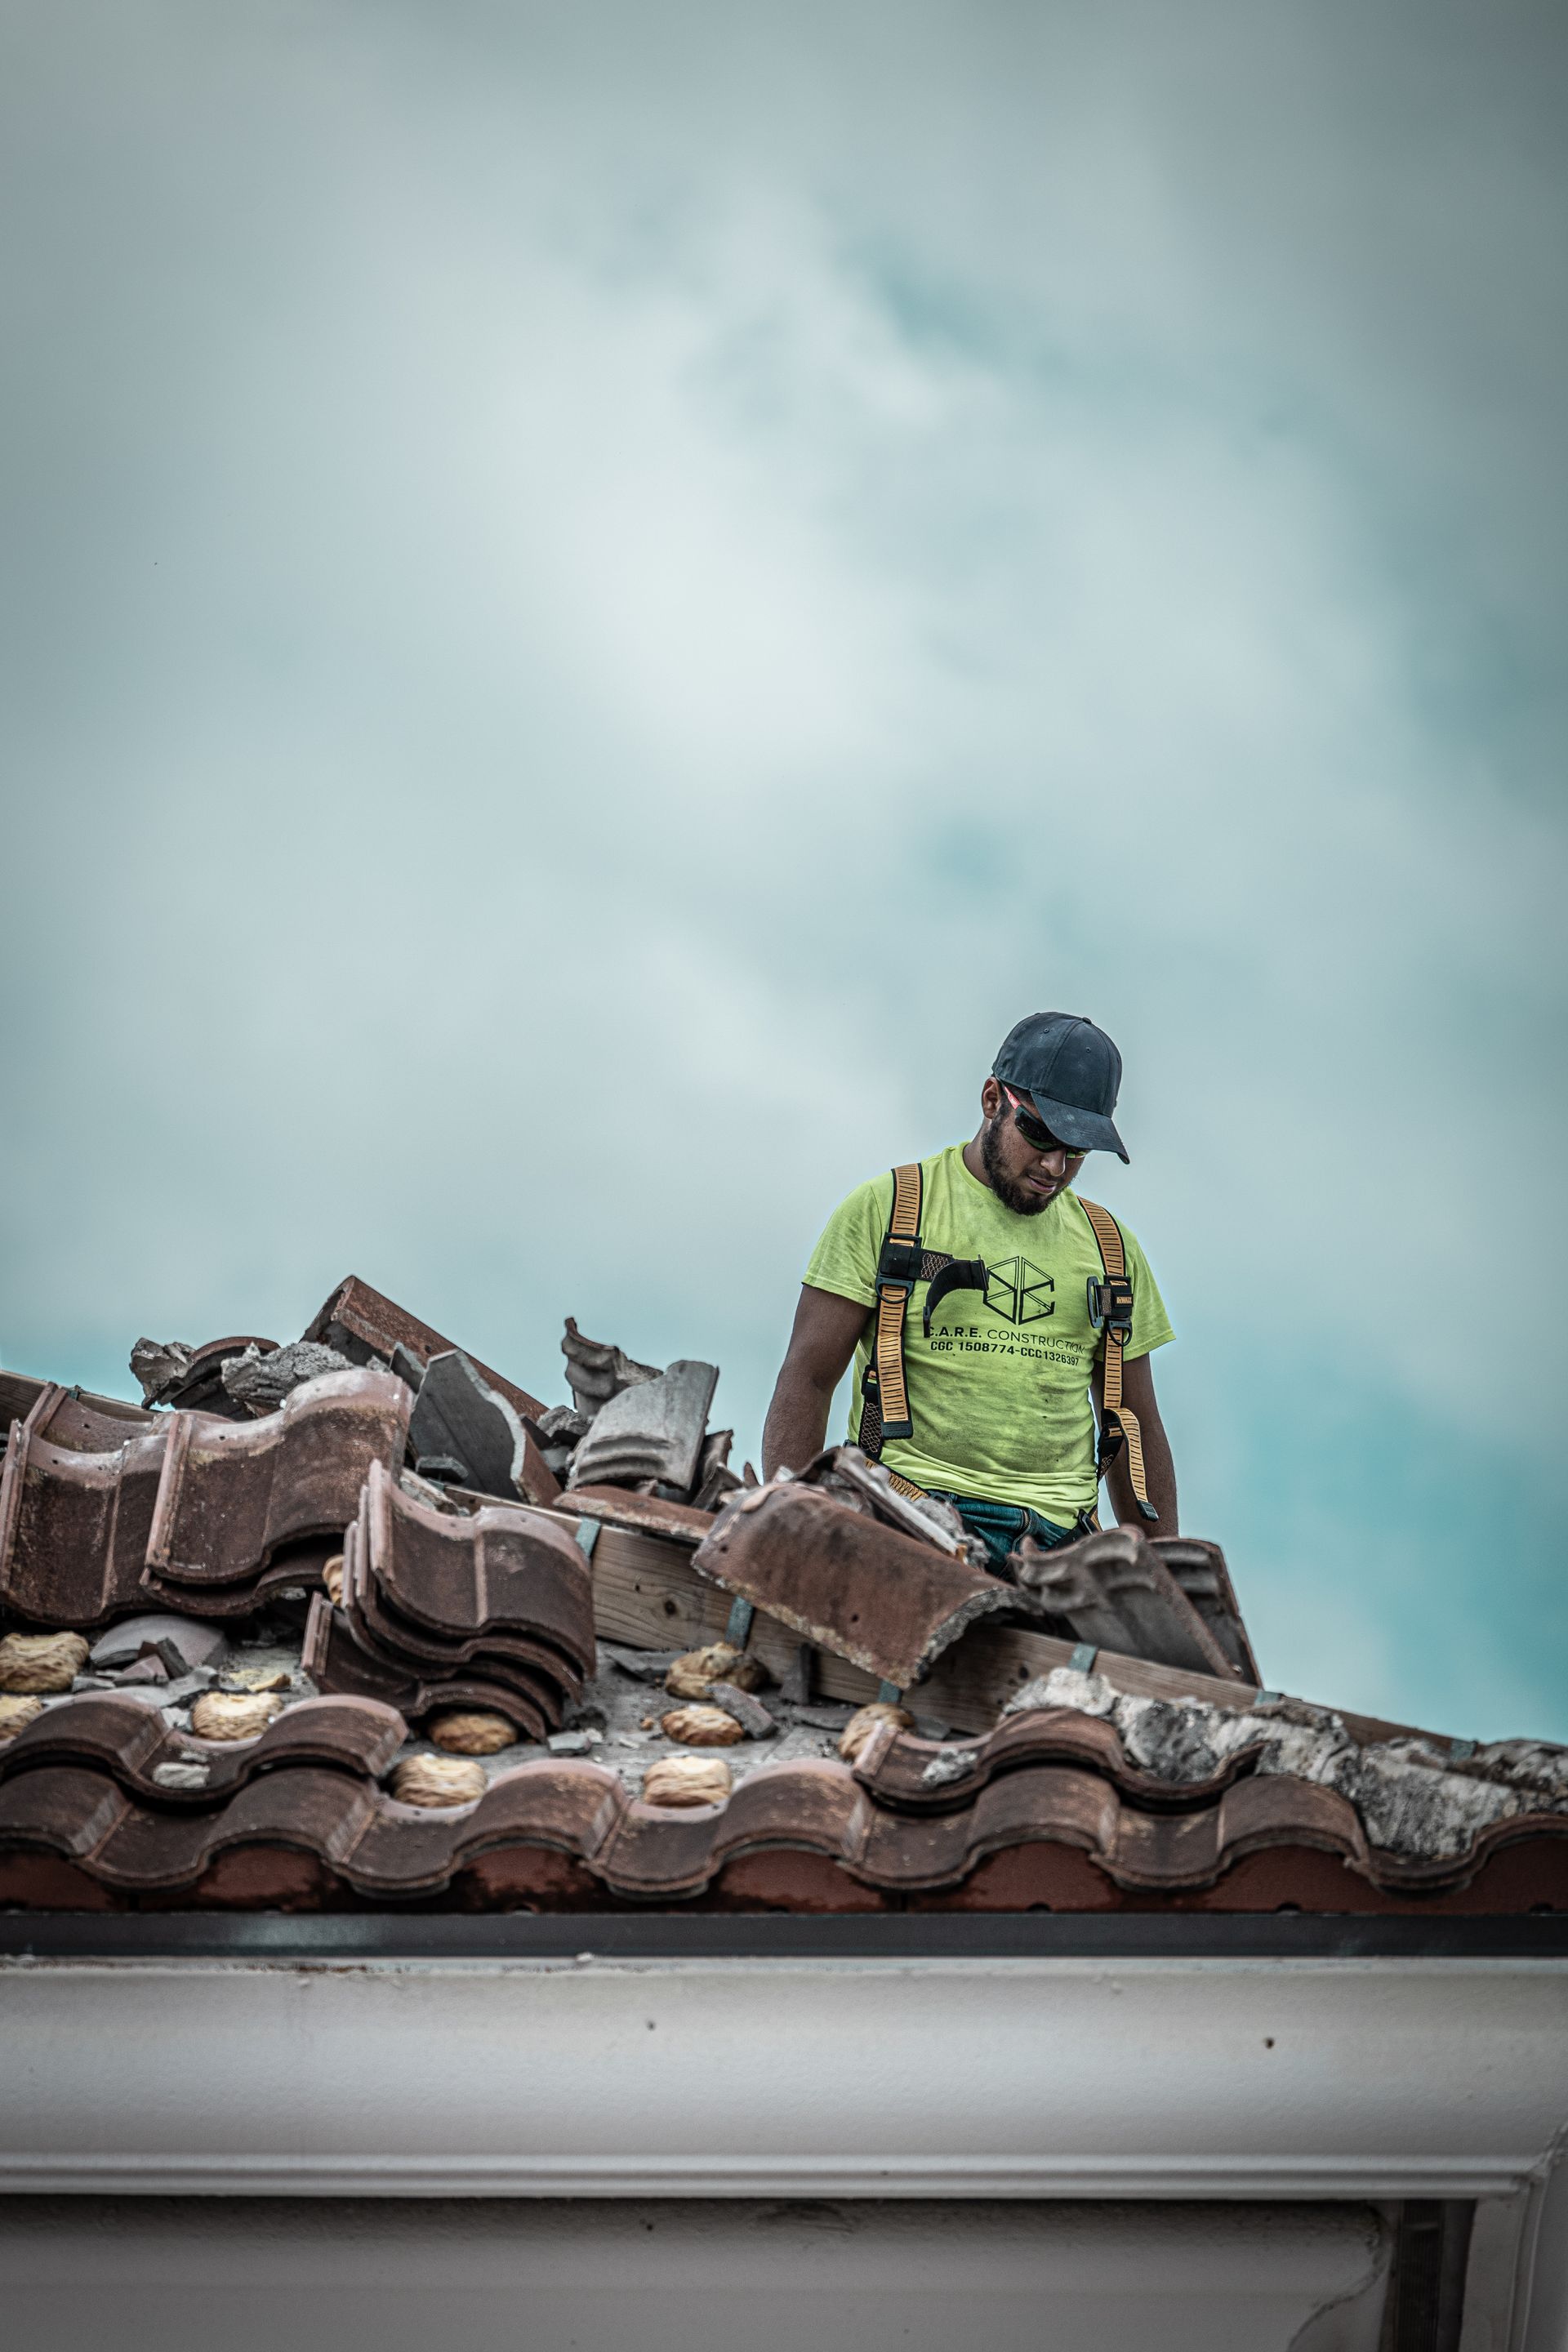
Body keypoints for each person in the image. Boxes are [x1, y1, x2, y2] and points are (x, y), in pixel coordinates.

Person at [762, 1012, 1178, 1573]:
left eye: (1078, 1151)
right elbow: (808, 1377)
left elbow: (1137, 1421)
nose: (1055, 1166)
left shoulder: (1111, 1249)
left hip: (1062, 1548)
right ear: (991, 1100)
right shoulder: (890, 1210)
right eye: (1040, 1135)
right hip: (912, 1516)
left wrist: (1166, 1579)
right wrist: (793, 1528)